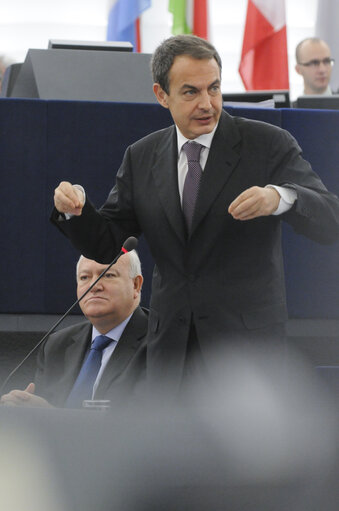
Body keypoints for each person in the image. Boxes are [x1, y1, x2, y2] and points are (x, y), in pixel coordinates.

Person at [51, 34, 339, 397]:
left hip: (245, 353)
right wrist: (76, 212)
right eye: (191, 92)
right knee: (170, 453)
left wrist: (280, 198)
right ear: (161, 95)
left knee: (241, 456)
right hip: (170, 354)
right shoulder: (142, 156)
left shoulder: (267, 144)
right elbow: (109, 244)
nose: (207, 103)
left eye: (214, 88)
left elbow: (330, 219)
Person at [0, 251, 148, 408]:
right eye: (84, 277)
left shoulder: (160, 344)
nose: (94, 286)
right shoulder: (57, 345)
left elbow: (144, 419)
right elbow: (40, 415)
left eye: (108, 275)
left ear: (135, 285)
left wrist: (51, 417)